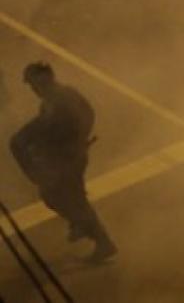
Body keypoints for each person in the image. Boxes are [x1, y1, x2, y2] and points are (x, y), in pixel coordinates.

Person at [9, 62, 117, 263]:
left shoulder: (60, 101)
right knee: (62, 197)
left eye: (34, 84)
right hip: (69, 156)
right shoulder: (56, 99)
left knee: (65, 198)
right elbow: (87, 113)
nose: (33, 89)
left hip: (69, 159)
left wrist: (71, 144)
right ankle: (83, 227)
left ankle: (100, 240)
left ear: (44, 80)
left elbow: (53, 126)